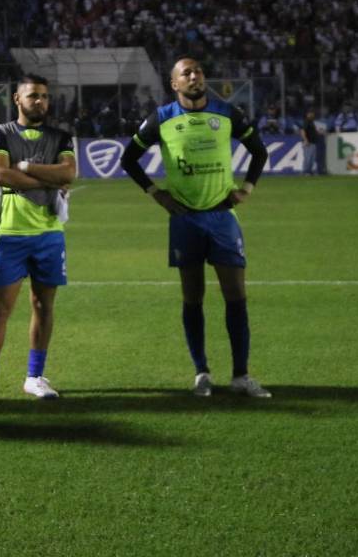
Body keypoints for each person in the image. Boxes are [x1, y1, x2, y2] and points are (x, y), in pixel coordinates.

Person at [119, 57, 272, 398]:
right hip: (185, 219)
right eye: (185, 73)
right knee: (193, 298)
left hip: (222, 217)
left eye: (198, 71)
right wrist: (156, 193)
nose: (194, 76)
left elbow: (259, 152)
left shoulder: (226, 113)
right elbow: (128, 159)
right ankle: (201, 372)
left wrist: (247, 188)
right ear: (174, 84)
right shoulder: (161, 119)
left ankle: (241, 375)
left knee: (236, 296)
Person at [0, 74, 76, 409]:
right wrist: (48, 177)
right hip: (12, 236)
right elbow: (1, 175)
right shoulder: (0, 133)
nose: (40, 102)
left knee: (44, 307)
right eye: (33, 96)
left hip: (49, 235)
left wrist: (27, 167)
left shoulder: (61, 136)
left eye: (44, 97)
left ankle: (34, 377)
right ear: (18, 99)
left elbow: (70, 174)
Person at [298, 110, 325, 175]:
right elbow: (302, 131)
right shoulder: (306, 121)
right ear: (308, 114)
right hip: (308, 142)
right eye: (311, 113)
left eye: (312, 113)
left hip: (313, 142)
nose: (312, 115)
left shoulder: (311, 122)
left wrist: (319, 133)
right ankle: (305, 171)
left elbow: (312, 132)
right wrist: (305, 140)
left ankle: (309, 171)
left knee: (312, 158)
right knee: (308, 157)